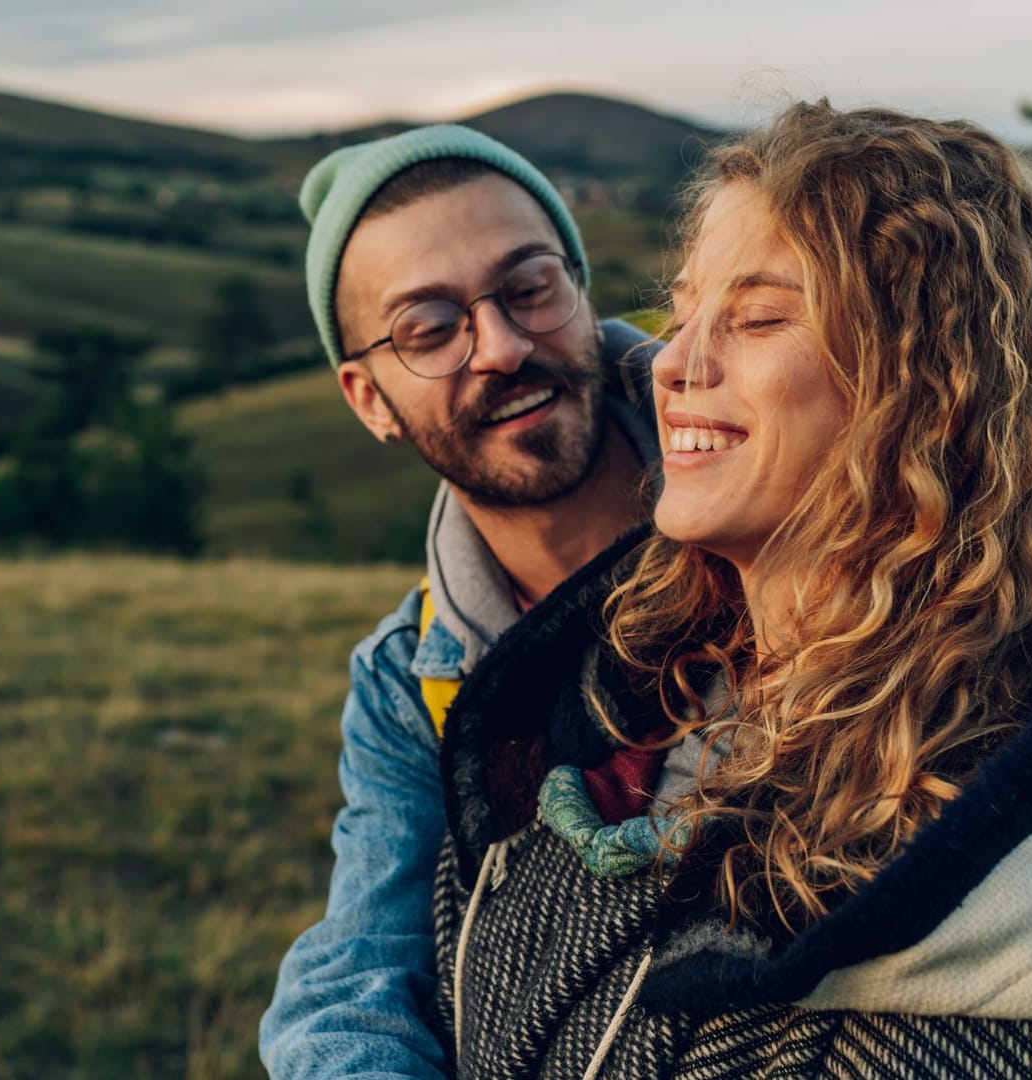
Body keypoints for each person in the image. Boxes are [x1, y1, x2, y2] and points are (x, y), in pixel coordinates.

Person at [428, 101, 1032, 1078]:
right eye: (684, 306)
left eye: (755, 317)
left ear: (929, 389)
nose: (674, 361)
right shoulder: (613, 690)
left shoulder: (1014, 934)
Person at [258, 125, 661, 1077]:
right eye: (429, 330)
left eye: (529, 289)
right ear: (368, 399)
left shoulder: (796, 515)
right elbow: (354, 976)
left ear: (580, 285)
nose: (502, 348)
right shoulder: (411, 683)